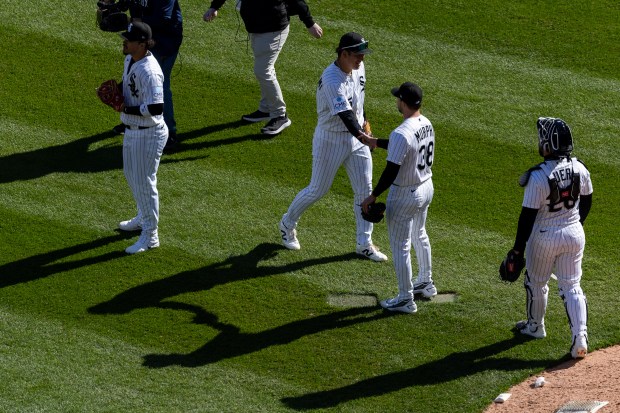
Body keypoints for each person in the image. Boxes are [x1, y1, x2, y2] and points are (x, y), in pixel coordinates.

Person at [278, 32, 387, 262]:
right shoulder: (331, 79)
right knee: (318, 189)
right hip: (331, 139)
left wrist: (365, 124)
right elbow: (345, 114)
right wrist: (363, 136)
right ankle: (287, 223)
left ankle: (364, 243)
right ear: (343, 53)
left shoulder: (358, 69)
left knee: (365, 190)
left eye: (363, 56)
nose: (361, 60)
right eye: (357, 55)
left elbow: (357, 103)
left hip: (356, 139)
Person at [505, 117, 593, 358]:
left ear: (549, 145)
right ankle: (580, 338)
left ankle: (535, 327)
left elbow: (527, 217)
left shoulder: (538, 176)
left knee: (536, 282)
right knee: (571, 286)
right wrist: (575, 224)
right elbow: (587, 201)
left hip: (544, 236)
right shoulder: (580, 168)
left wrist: (517, 249)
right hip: (575, 233)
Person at [360, 82, 436, 314]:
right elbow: (405, 147)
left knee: (401, 246)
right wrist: (377, 142)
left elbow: (391, 169)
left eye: (397, 99)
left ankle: (405, 298)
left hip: (405, 194)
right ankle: (425, 281)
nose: (396, 102)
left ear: (403, 102)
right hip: (426, 186)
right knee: (420, 233)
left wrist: (372, 196)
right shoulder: (426, 123)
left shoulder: (401, 132)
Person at [203, 0, 322, 135]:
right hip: (257, 28)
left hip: (274, 30)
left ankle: (280, 115)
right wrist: (214, 7)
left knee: (263, 70)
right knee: (264, 68)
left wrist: (309, 23)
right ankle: (266, 108)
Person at [116, 22, 169, 254]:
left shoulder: (151, 71)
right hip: (133, 130)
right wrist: (115, 92)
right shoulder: (130, 59)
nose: (124, 41)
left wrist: (127, 110)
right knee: (132, 176)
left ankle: (151, 235)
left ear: (142, 43)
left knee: (145, 183)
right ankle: (143, 216)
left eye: (128, 39)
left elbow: (157, 107)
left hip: (148, 134)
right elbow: (128, 84)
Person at [114, 0, 183, 153]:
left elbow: (163, 19)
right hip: (141, 37)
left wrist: (134, 21)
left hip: (165, 40)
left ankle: (170, 132)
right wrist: (112, 7)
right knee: (133, 73)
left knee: (159, 85)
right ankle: (132, 121)